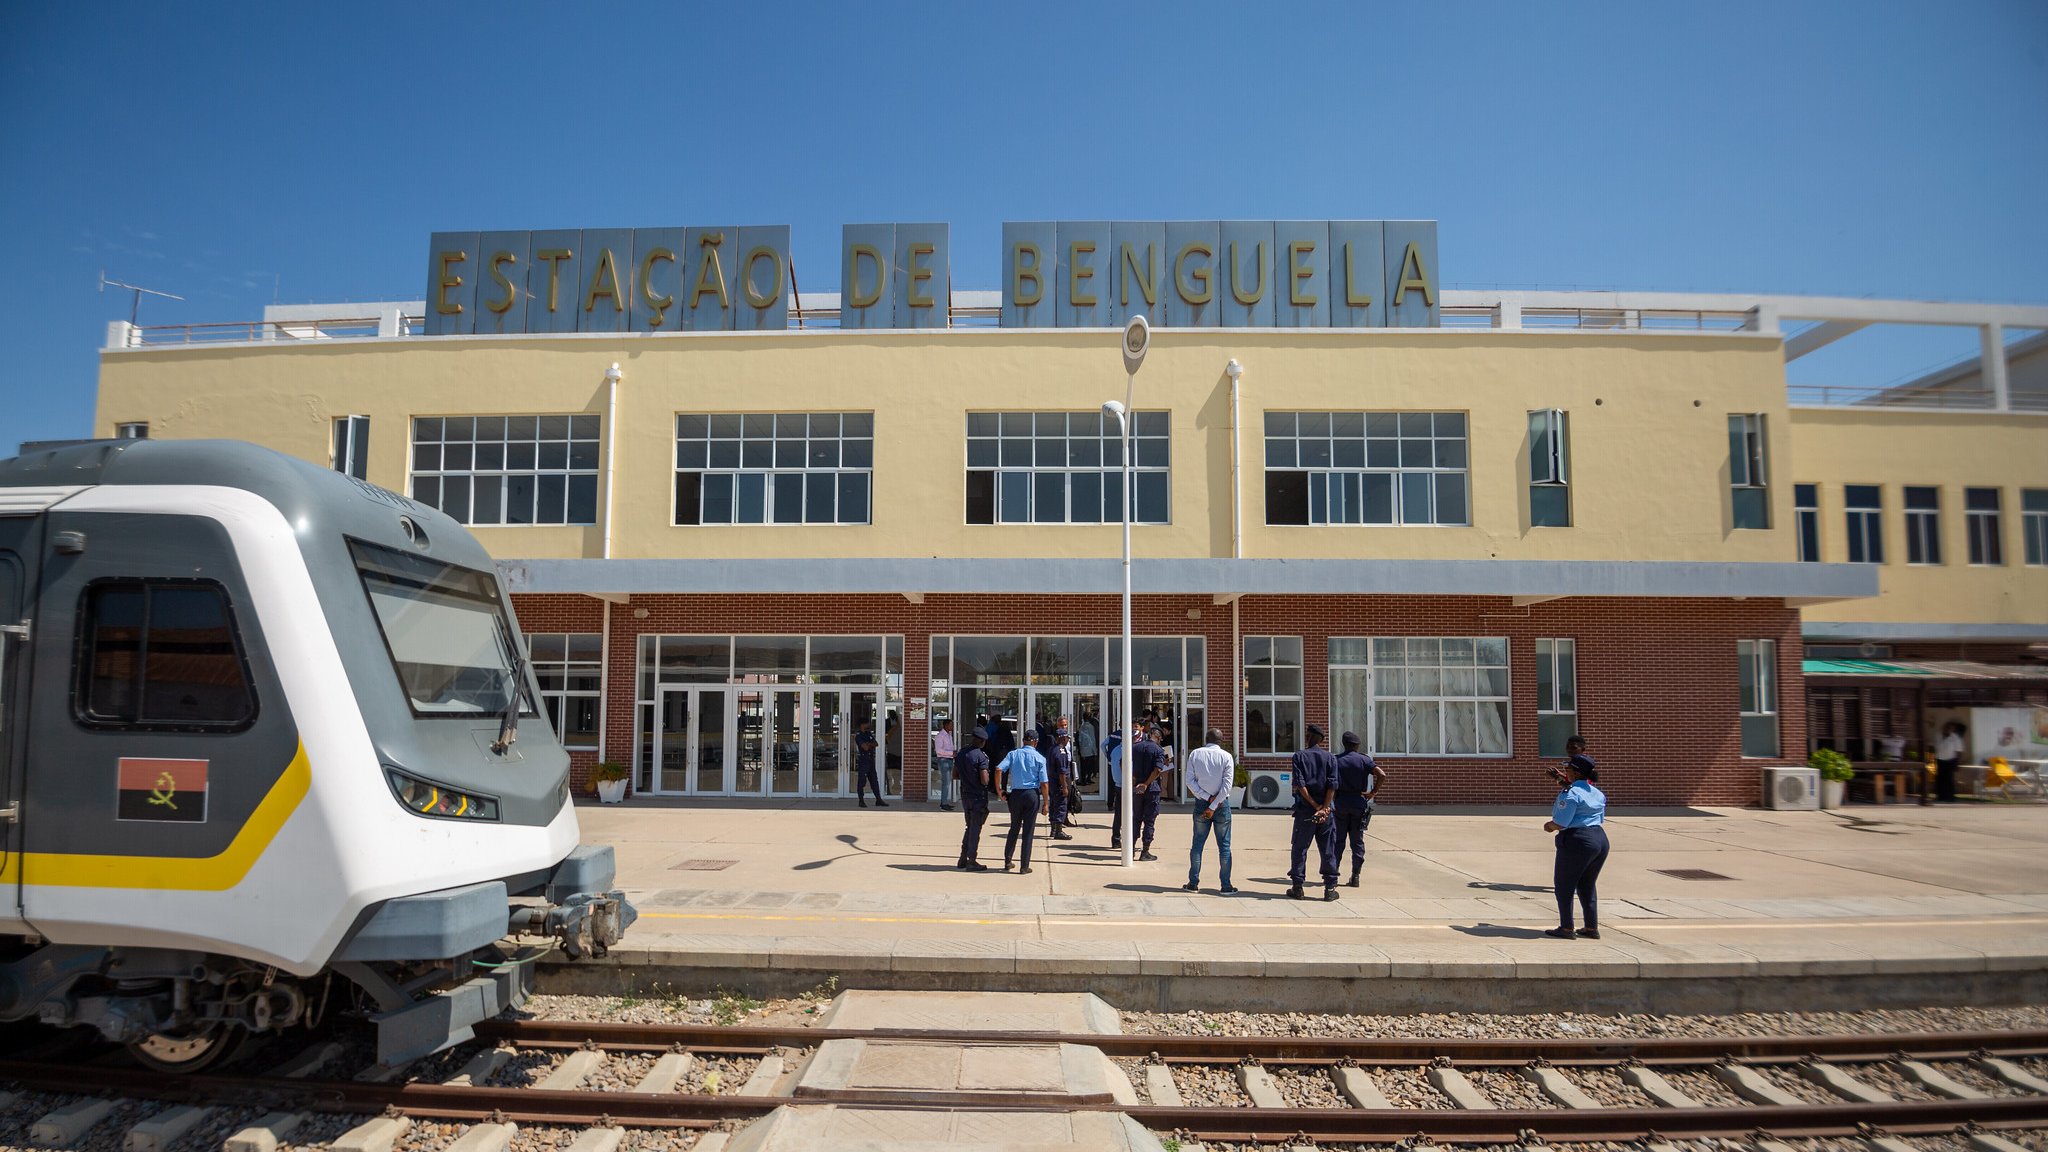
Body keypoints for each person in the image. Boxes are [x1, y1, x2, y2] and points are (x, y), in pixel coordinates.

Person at [1542, 736, 1609, 939]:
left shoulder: (1570, 793)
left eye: (1569, 769)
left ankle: (1566, 927)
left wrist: (1549, 826)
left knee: (1564, 884)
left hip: (1577, 840)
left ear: (1576, 772)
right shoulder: (1596, 792)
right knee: (1587, 884)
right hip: (1600, 839)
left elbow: (1561, 822)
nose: (1566, 772)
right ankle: (1591, 927)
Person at [1182, 728, 1237, 894]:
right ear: (1221, 741)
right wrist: (1214, 803)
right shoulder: (1226, 757)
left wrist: (1206, 798)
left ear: (1206, 739)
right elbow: (1227, 785)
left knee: (1197, 845)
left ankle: (1193, 883)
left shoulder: (1195, 754)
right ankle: (1226, 886)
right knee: (1224, 847)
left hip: (1201, 804)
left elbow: (1189, 781)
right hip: (1221, 805)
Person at [1287, 724, 1340, 900]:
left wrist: (1314, 805)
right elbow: (1332, 785)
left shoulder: (1299, 756)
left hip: (1306, 811)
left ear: (1309, 737)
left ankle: (1298, 887)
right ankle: (1330, 888)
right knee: (1328, 849)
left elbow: (1300, 784)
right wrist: (1325, 807)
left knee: (1300, 847)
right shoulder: (1331, 758)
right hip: (1326, 812)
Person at [1331, 731, 1386, 887]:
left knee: (1338, 841)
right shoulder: (1364, 760)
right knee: (1357, 841)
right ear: (1357, 745)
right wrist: (1373, 792)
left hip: (1340, 802)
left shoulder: (1336, 760)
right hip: (1358, 802)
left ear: (1344, 744)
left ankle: (1333, 876)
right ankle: (1355, 875)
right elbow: (1382, 775)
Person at [997, 728, 1051, 873]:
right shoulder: (1040, 758)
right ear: (1035, 742)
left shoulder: (1013, 754)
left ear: (1023, 741)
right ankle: (1024, 866)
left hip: (1016, 794)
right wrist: (1046, 803)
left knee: (1014, 827)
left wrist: (999, 790)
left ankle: (1008, 861)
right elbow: (1044, 783)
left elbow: (998, 769)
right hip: (1031, 794)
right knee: (1028, 831)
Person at [954, 731, 992, 871]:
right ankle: (971, 860)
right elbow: (984, 780)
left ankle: (963, 858)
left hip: (965, 794)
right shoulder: (980, 756)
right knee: (975, 828)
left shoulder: (961, 753)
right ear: (982, 742)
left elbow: (955, 775)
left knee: (969, 826)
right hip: (978, 796)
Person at [1130, 725, 1167, 861]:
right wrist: (1146, 784)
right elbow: (1157, 770)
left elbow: (1123, 763)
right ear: (1157, 737)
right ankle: (1145, 851)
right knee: (1149, 821)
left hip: (1136, 788)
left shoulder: (1135, 747)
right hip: (1151, 789)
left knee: (1136, 819)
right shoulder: (1158, 750)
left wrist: (1133, 778)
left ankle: (1131, 848)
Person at [1044, 728, 1076, 839]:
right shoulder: (1061, 751)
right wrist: (1064, 787)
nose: (1068, 740)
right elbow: (1062, 772)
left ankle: (1053, 829)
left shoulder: (1051, 749)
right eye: (1066, 738)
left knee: (1053, 805)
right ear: (1062, 738)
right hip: (1059, 783)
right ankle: (1058, 831)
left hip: (1051, 782)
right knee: (1061, 806)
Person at [854, 719, 887, 808]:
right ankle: (861, 800)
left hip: (871, 760)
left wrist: (868, 744)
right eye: (866, 723)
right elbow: (864, 747)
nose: (868, 725)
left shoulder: (868, 734)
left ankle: (878, 799)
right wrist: (869, 744)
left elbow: (876, 744)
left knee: (874, 780)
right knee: (862, 781)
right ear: (862, 725)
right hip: (863, 760)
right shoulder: (858, 735)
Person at [1104, 727, 1125, 850]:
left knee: (1118, 815)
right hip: (1127, 786)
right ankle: (1128, 841)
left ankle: (1116, 839)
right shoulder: (1128, 751)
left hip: (1118, 785)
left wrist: (1108, 758)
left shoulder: (1115, 750)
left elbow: (1103, 745)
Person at [1934, 721, 1966, 803]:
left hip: (1950, 760)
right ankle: (1941, 796)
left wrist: (1957, 763)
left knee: (1949, 779)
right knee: (1940, 779)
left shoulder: (1955, 738)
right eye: (1947, 727)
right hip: (1940, 760)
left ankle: (1950, 797)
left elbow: (1959, 751)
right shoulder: (1938, 735)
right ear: (1944, 727)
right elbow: (1936, 748)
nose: (1949, 729)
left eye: (1951, 728)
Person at [933, 718, 958, 812]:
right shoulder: (940, 736)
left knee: (948, 782)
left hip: (950, 759)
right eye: (951, 725)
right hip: (944, 760)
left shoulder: (949, 735)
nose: (952, 726)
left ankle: (945, 802)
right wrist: (951, 753)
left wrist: (953, 753)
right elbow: (939, 751)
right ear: (946, 725)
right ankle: (943, 804)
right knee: (946, 783)